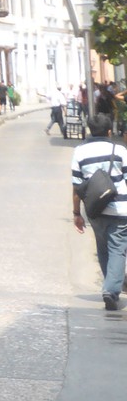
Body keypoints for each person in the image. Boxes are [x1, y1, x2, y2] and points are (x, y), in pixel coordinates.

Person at [71, 111, 127, 311]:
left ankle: (110, 287)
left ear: (90, 130)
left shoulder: (79, 152)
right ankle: (111, 290)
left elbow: (77, 187)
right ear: (109, 131)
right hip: (120, 208)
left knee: (103, 248)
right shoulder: (119, 151)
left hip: (95, 209)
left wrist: (77, 214)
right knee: (117, 249)